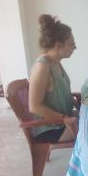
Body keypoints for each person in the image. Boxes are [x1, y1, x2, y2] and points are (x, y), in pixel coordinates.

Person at [29, 14, 78, 142]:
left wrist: (71, 100)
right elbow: (34, 106)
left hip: (63, 120)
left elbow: (57, 92)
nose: (75, 48)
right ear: (58, 45)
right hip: (49, 128)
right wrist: (63, 118)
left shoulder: (56, 61)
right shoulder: (42, 67)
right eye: (71, 44)